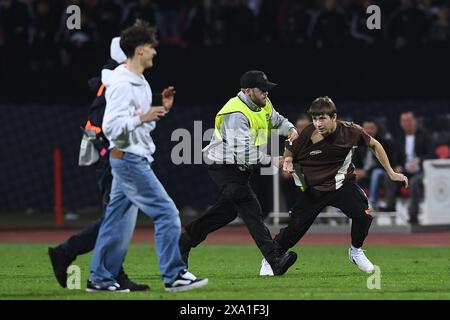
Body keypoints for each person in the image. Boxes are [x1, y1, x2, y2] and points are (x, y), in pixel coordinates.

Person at [87, 20, 208, 293]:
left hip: (129, 156)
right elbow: (111, 127)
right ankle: (174, 274)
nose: (155, 51)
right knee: (167, 213)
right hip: (128, 159)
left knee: (116, 221)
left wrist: (159, 110)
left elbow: (138, 123)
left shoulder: (139, 81)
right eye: (152, 47)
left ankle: (101, 278)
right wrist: (143, 116)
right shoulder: (121, 84)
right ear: (139, 49)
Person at [259, 96, 408, 276]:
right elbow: (290, 145)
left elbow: (375, 145)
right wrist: (288, 159)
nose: (318, 123)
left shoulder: (351, 131)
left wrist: (391, 172)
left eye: (322, 118)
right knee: (295, 230)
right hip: (314, 189)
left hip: (342, 186)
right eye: (314, 118)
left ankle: (356, 251)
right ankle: (271, 258)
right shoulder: (308, 133)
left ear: (334, 117)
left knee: (364, 215)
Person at [48, 37, 150, 291]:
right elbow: (105, 125)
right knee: (116, 219)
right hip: (113, 158)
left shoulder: (113, 82)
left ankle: (111, 271)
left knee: (118, 218)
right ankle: (71, 254)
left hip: (112, 156)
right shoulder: (116, 84)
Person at [179, 70, 299, 276]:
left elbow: (277, 120)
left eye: (267, 89)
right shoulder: (236, 114)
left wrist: (291, 130)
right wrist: (275, 161)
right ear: (247, 91)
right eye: (263, 90)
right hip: (223, 165)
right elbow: (245, 154)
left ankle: (183, 241)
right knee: (249, 205)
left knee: (227, 211)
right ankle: (274, 259)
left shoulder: (262, 104)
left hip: (238, 166)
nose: (266, 93)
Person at [381, 111, 432, 225]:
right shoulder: (399, 139)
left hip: (422, 171)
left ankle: (413, 215)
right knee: (389, 176)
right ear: (400, 123)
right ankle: (391, 206)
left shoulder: (425, 136)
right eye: (404, 121)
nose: (406, 123)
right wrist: (397, 166)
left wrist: (419, 161)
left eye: (409, 120)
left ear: (415, 121)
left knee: (414, 182)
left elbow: (431, 154)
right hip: (405, 171)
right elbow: (395, 157)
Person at [353, 119, 394, 210]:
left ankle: (372, 203)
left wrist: (366, 172)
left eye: (371, 128)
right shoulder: (357, 143)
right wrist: (356, 170)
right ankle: (349, 205)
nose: (369, 131)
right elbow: (355, 161)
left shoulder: (383, 143)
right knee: (349, 175)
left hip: (380, 173)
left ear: (376, 129)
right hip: (364, 174)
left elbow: (385, 163)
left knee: (377, 173)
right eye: (366, 128)